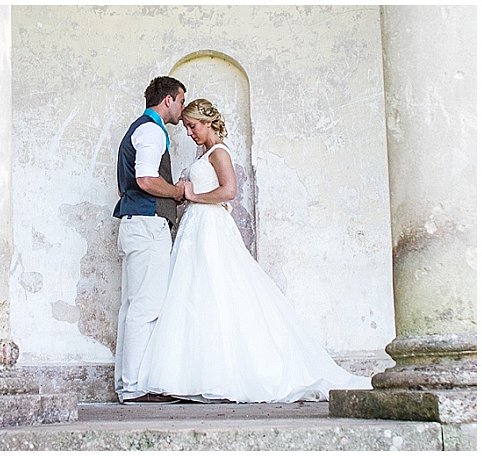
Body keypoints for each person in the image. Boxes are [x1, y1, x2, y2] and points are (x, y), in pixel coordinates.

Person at [136, 98, 372, 403]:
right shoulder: (204, 153)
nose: (190, 133)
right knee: (194, 294)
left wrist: (193, 193)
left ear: (208, 123)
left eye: (192, 126)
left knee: (217, 291)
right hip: (196, 227)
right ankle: (194, 376)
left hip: (210, 228)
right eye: (186, 127)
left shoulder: (219, 152)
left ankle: (222, 376)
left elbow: (229, 191)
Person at [112, 76, 187, 404]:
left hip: (135, 223)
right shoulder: (152, 131)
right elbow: (144, 178)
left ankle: (126, 384)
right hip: (147, 225)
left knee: (132, 307)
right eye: (181, 101)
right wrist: (176, 192)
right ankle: (135, 388)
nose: (182, 109)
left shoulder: (139, 130)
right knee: (146, 307)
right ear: (168, 100)